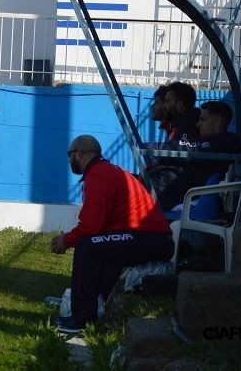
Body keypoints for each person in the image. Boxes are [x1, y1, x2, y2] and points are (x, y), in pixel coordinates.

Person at [50, 135, 174, 334]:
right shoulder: (105, 171)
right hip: (150, 237)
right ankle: (100, 304)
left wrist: (66, 240)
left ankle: (81, 318)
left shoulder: (99, 175)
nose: (69, 160)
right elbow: (100, 226)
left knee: (87, 246)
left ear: (79, 154)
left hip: (150, 238)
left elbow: (90, 226)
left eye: (69, 154)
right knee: (102, 245)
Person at [145, 100, 241, 212]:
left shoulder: (224, 142)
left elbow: (188, 149)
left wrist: (159, 148)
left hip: (174, 195)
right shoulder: (207, 141)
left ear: (217, 123)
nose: (198, 124)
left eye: (203, 120)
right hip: (162, 188)